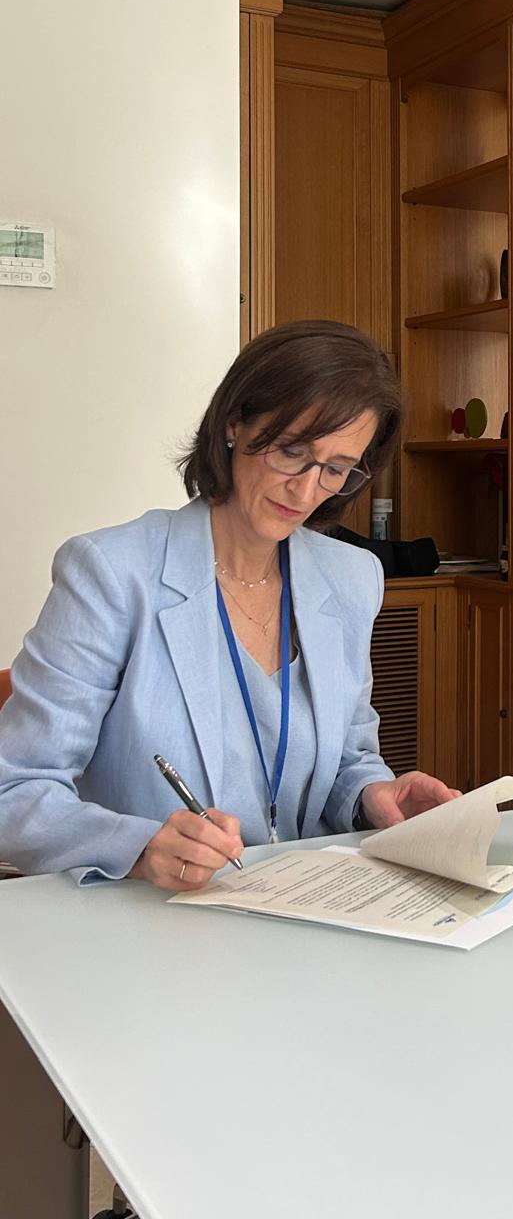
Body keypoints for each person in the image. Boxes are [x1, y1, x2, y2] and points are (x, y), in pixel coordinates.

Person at [0, 320, 460, 887]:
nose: (306, 490)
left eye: (336, 469)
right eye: (291, 451)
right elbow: (15, 790)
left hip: (309, 904)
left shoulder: (351, 577)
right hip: (155, 915)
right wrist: (140, 847)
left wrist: (373, 794)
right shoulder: (112, 573)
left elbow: (349, 758)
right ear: (234, 424)